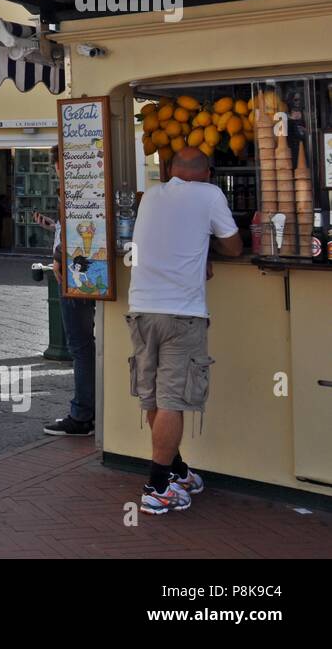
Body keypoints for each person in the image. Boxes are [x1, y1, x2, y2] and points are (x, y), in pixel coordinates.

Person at [126, 146, 242, 515]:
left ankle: (176, 471)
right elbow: (235, 247)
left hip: (141, 310)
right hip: (182, 314)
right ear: (207, 173)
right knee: (172, 401)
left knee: (156, 400)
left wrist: (199, 251)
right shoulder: (211, 195)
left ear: (169, 171)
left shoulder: (150, 197)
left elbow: (170, 239)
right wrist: (208, 250)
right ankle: (157, 488)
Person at [40, 147, 97, 438]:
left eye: (57, 165)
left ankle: (83, 414)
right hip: (84, 267)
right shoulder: (89, 185)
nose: (57, 170)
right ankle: (90, 409)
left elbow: (76, 230)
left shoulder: (73, 189)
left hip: (73, 273)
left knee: (80, 345)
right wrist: (55, 228)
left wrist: (60, 257)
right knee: (86, 345)